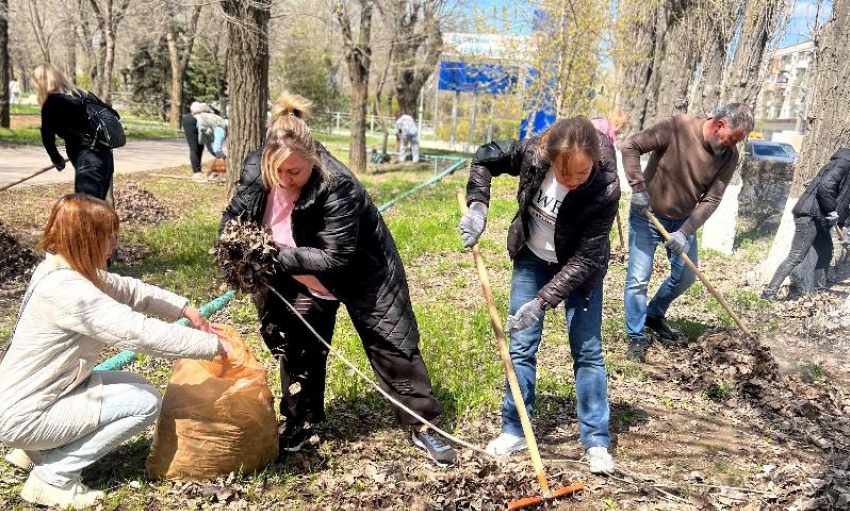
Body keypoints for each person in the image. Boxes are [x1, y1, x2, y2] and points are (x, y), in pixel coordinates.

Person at [219, 93, 457, 467]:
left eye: (295, 172)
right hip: (296, 274)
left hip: (363, 274)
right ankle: (301, 421)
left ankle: (424, 424)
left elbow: (336, 256)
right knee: (299, 346)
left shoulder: (337, 185)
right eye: (277, 171)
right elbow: (233, 218)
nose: (285, 180)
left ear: (312, 159)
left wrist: (272, 255)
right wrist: (237, 246)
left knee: (392, 344)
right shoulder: (256, 170)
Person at [0, 194, 230, 510]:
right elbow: (139, 332)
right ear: (85, 240)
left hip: (36, 397)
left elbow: (131, 291)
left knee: (133, 385)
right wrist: (214, 346)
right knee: (144, 403)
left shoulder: (65, 270)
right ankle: (53, 477)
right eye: (108, 236)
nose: (114, 244)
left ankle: (37, 451)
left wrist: (185, 308)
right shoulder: (70, 292)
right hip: (25, 416)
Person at [458, 117, 620, 474]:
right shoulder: (533, 152)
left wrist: (543, 301)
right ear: (549, 158)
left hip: (580, 271)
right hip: (532, 258)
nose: (574, 181)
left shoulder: (605, 185)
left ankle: (596, 442)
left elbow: (587, 257)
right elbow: (485, 157)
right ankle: (514, 429)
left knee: (588, 352)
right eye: (566, 174)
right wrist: (478, 205)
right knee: (520, 345)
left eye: (582, 174)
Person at [621, 102, 753, 362]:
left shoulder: (729, 156)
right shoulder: (677, 127)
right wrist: (637, 188)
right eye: (733, 138)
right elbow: (630, 146)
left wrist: (685, 231)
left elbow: (712, 199)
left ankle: (654, 313)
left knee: (684, 278)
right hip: (647, 214)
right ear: (719, 125)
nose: (733, 144)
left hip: (682, 221)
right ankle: (635, 336)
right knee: (638, 278)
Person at [762, 149, 850, 300]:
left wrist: (845, 228)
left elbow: (843, 202)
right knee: (796, 256)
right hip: (811, 216)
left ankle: (818, 292)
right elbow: (825, 186)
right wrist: (831, 210)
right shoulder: (843, 164)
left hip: (820, 219)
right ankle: (769, 293)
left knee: (825, 253)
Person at [32, 63, 115, 201]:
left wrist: (57, 159)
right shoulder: (82, 95)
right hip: (105, 159)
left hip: (88, 163)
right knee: (98, 211)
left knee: (86, 213)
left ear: (41, 82)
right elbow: (113, 114)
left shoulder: (52, 103)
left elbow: (47, 138)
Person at [183, 102, 208, 183]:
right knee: (194, 147)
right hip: (192, 121)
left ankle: (198, 170)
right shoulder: (193, 117)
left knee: (200, 146)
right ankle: (196, 172)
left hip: (196, 119)